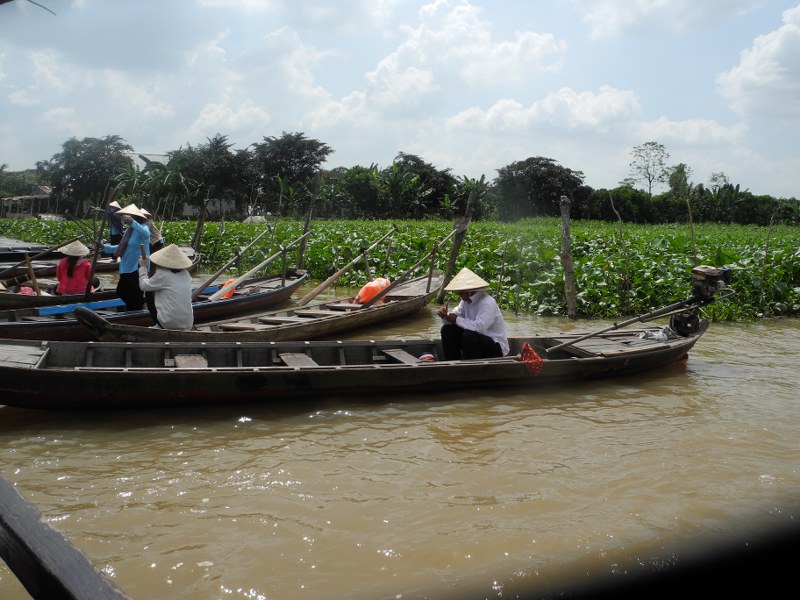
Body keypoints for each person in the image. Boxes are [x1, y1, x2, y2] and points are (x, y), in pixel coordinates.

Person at [436, 267, 509, 360]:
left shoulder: (487, 302)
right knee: (447, 329)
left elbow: (479, 327)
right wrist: (445, 316)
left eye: (461, 292)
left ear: (470, 290)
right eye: (458, 292)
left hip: (495, 347)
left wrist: (456, 319)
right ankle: (453, 363)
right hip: (476, 343)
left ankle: (472, 367)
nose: (459, 295)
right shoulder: (465, 302)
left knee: (469, 335)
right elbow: (455, 316)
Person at [103, 203, 151, 311]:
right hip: (127, 266)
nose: (126, 218)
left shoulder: (143, 228)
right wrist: (105, 247)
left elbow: (146, 235)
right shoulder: (130, 230)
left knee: (134, 296)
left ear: (135, 217)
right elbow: (121, 246)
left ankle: (135, 315)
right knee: (121, 291)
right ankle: (138, 306)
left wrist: (132, 223)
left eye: (130, 217)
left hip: (138, 266)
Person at [138, 243, 194, 330]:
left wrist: (142, 268)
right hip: (188, 324)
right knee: (154, 287)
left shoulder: (162, 275)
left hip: (169, 324)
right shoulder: (186, 274)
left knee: (148, 292)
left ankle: (159, 325)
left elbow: (144, 286)